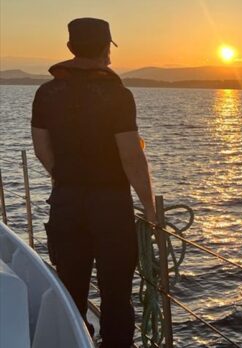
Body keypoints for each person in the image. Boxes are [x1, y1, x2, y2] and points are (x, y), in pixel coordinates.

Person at [31, 18, 156, 347]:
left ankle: (75, 339)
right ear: (105, 49)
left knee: (70, 287)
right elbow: (131, 156)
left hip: (66, 203)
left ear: (71, 48)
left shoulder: (46, 92)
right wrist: (151, 209)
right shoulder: (117, 94)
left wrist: (67, 179)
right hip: (111, 206)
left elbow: (41, 147)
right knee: (116, 293)